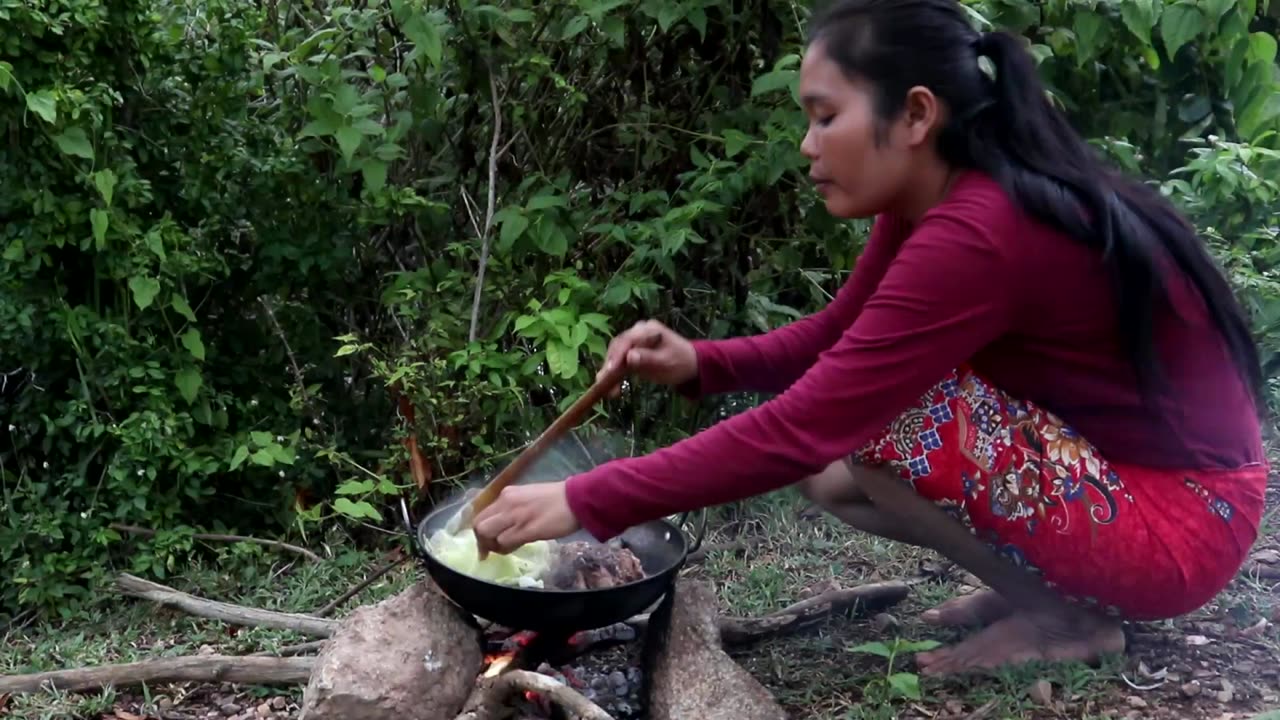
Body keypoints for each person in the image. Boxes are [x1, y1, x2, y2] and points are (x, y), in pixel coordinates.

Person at [473, 0, 1269, 675]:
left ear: (917, 114)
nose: (808, 146)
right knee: (834, 468)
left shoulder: (982, 231)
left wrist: (588, 495)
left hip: (1188, 522)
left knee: (888, 421)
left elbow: (808, 419)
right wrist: (699, 364)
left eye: (826, 117)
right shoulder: (933, 201)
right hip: (1125, 485)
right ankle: (1053, 589)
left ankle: (1067, 621)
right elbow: (839, 335)